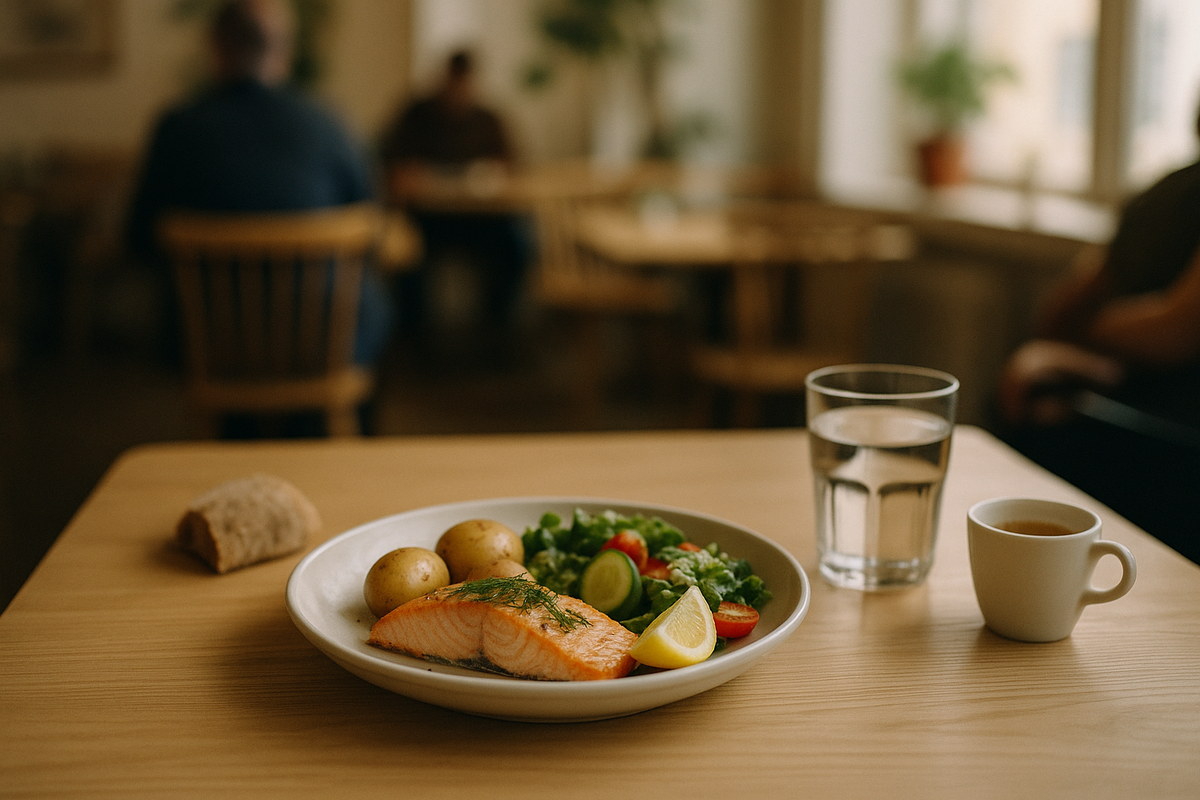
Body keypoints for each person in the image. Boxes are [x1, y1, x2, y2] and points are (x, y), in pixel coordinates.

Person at [126, 0, 392, 368]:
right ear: (284, 50)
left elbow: (139, 239)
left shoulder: (176, 130)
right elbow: (373, 224)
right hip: (321, 343)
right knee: (371, 306)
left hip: (210, 346)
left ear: (215, 47)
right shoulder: (327, 123)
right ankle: (339, 422)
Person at [998, 102, 1200, 561]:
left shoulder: (1172, 194)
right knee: (1033, 386)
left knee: (1047, 423)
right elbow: (1079, 297)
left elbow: (1177, 330)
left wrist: (1094, 329)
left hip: (1176, 429)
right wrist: (1049, 351)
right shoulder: (1174, 195)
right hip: (1146, 391)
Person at [378, 49, 531, 341]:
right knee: (407, 253)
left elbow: (514, 171)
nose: (458, 90)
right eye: (453, 81)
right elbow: (390, 170)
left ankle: (496, 333)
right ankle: (415, 340)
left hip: (480, 222)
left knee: (518, 243)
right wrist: (406, 177)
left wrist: (497, 175)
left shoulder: (488, 120)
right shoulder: (415, 116)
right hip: (428, 222)